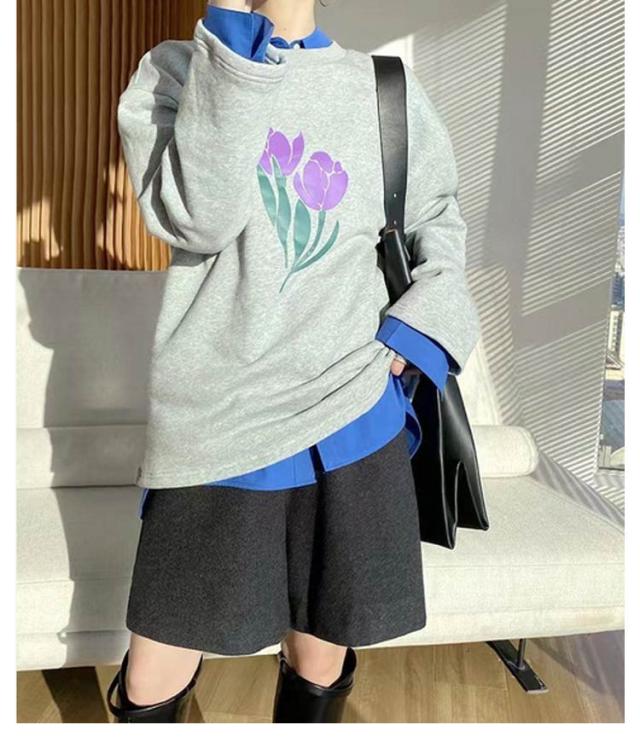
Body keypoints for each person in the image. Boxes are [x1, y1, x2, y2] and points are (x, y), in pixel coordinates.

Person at [107, 0, 480, 724]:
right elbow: (199, 218)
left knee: (320, 655)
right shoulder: (176, 72)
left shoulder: (386, 87)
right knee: (155, 671)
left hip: (352, 409)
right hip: (218, 417)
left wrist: (416, 335)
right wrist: (233, 45)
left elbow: (439, 222)